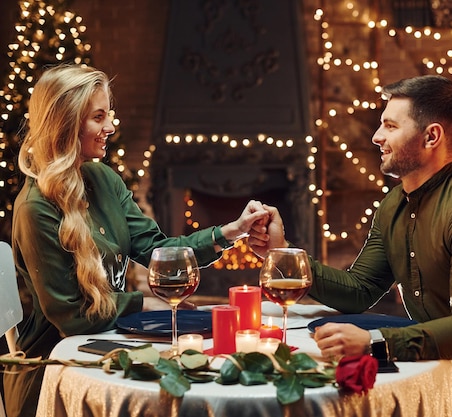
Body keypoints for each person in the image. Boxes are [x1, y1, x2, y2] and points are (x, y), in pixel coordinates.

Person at [249, 75, 452, 417]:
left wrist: (374, 342)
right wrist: (283, 253)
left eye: (390, 126)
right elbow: (360, 290)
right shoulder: (395, 203)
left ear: (431, 136)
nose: (376, 137)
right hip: (442, 376)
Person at [4, 64, 269, 417]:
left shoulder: (103, 179)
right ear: (65, 123)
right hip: (57, 377)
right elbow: (73, 317)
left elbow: (159, 252)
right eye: (98, 117)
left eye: (108, 115)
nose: (111, 127)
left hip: (112, 348)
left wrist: (229, 232)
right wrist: (143, 304)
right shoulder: (35, 209)